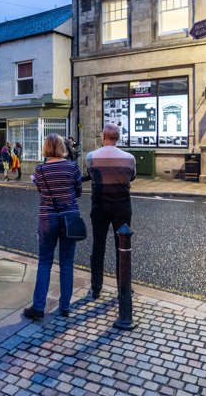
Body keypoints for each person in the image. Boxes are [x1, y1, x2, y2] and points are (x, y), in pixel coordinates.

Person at [24, 134, 82, 320]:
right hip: (69, 217)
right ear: (62, 147)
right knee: (67, 263)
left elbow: (41, 190)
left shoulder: (40, 170)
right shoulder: (72, 167)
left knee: (45, 262)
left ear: (46, 148)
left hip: (48, 218)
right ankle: (65, 306)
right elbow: (78, 191)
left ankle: (38, 307)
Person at [83, 123, 136, 300]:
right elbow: (132, 177)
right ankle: (124, 288)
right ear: (118, 138)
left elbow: (90, 174)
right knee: (123, 247)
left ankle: (96, 287)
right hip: (122, 206)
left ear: (103, 136)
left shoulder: (91, 157)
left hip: (99, 206)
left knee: (98, 247)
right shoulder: (129, 158)